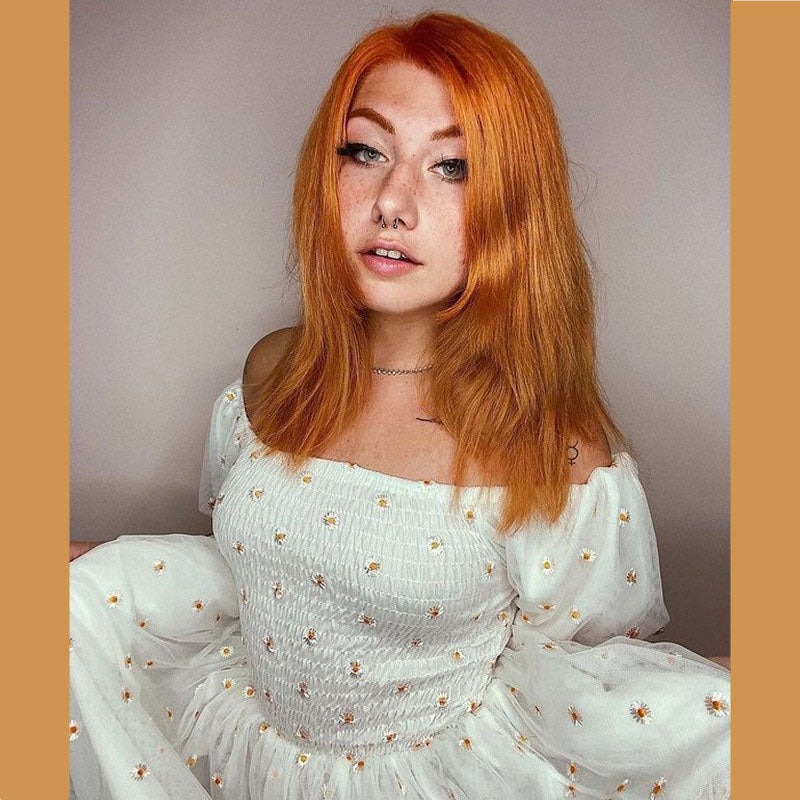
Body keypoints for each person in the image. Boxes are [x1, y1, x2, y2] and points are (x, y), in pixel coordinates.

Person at [69, 11, 731, 800]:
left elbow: (585, 679)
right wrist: (96, 576)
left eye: (453, 167)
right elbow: (262, 575)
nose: (392, 202)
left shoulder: (554, 450)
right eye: (366, 151)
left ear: (514, 206)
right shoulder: (272, 374)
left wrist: (716, 713)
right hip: (242, 755)